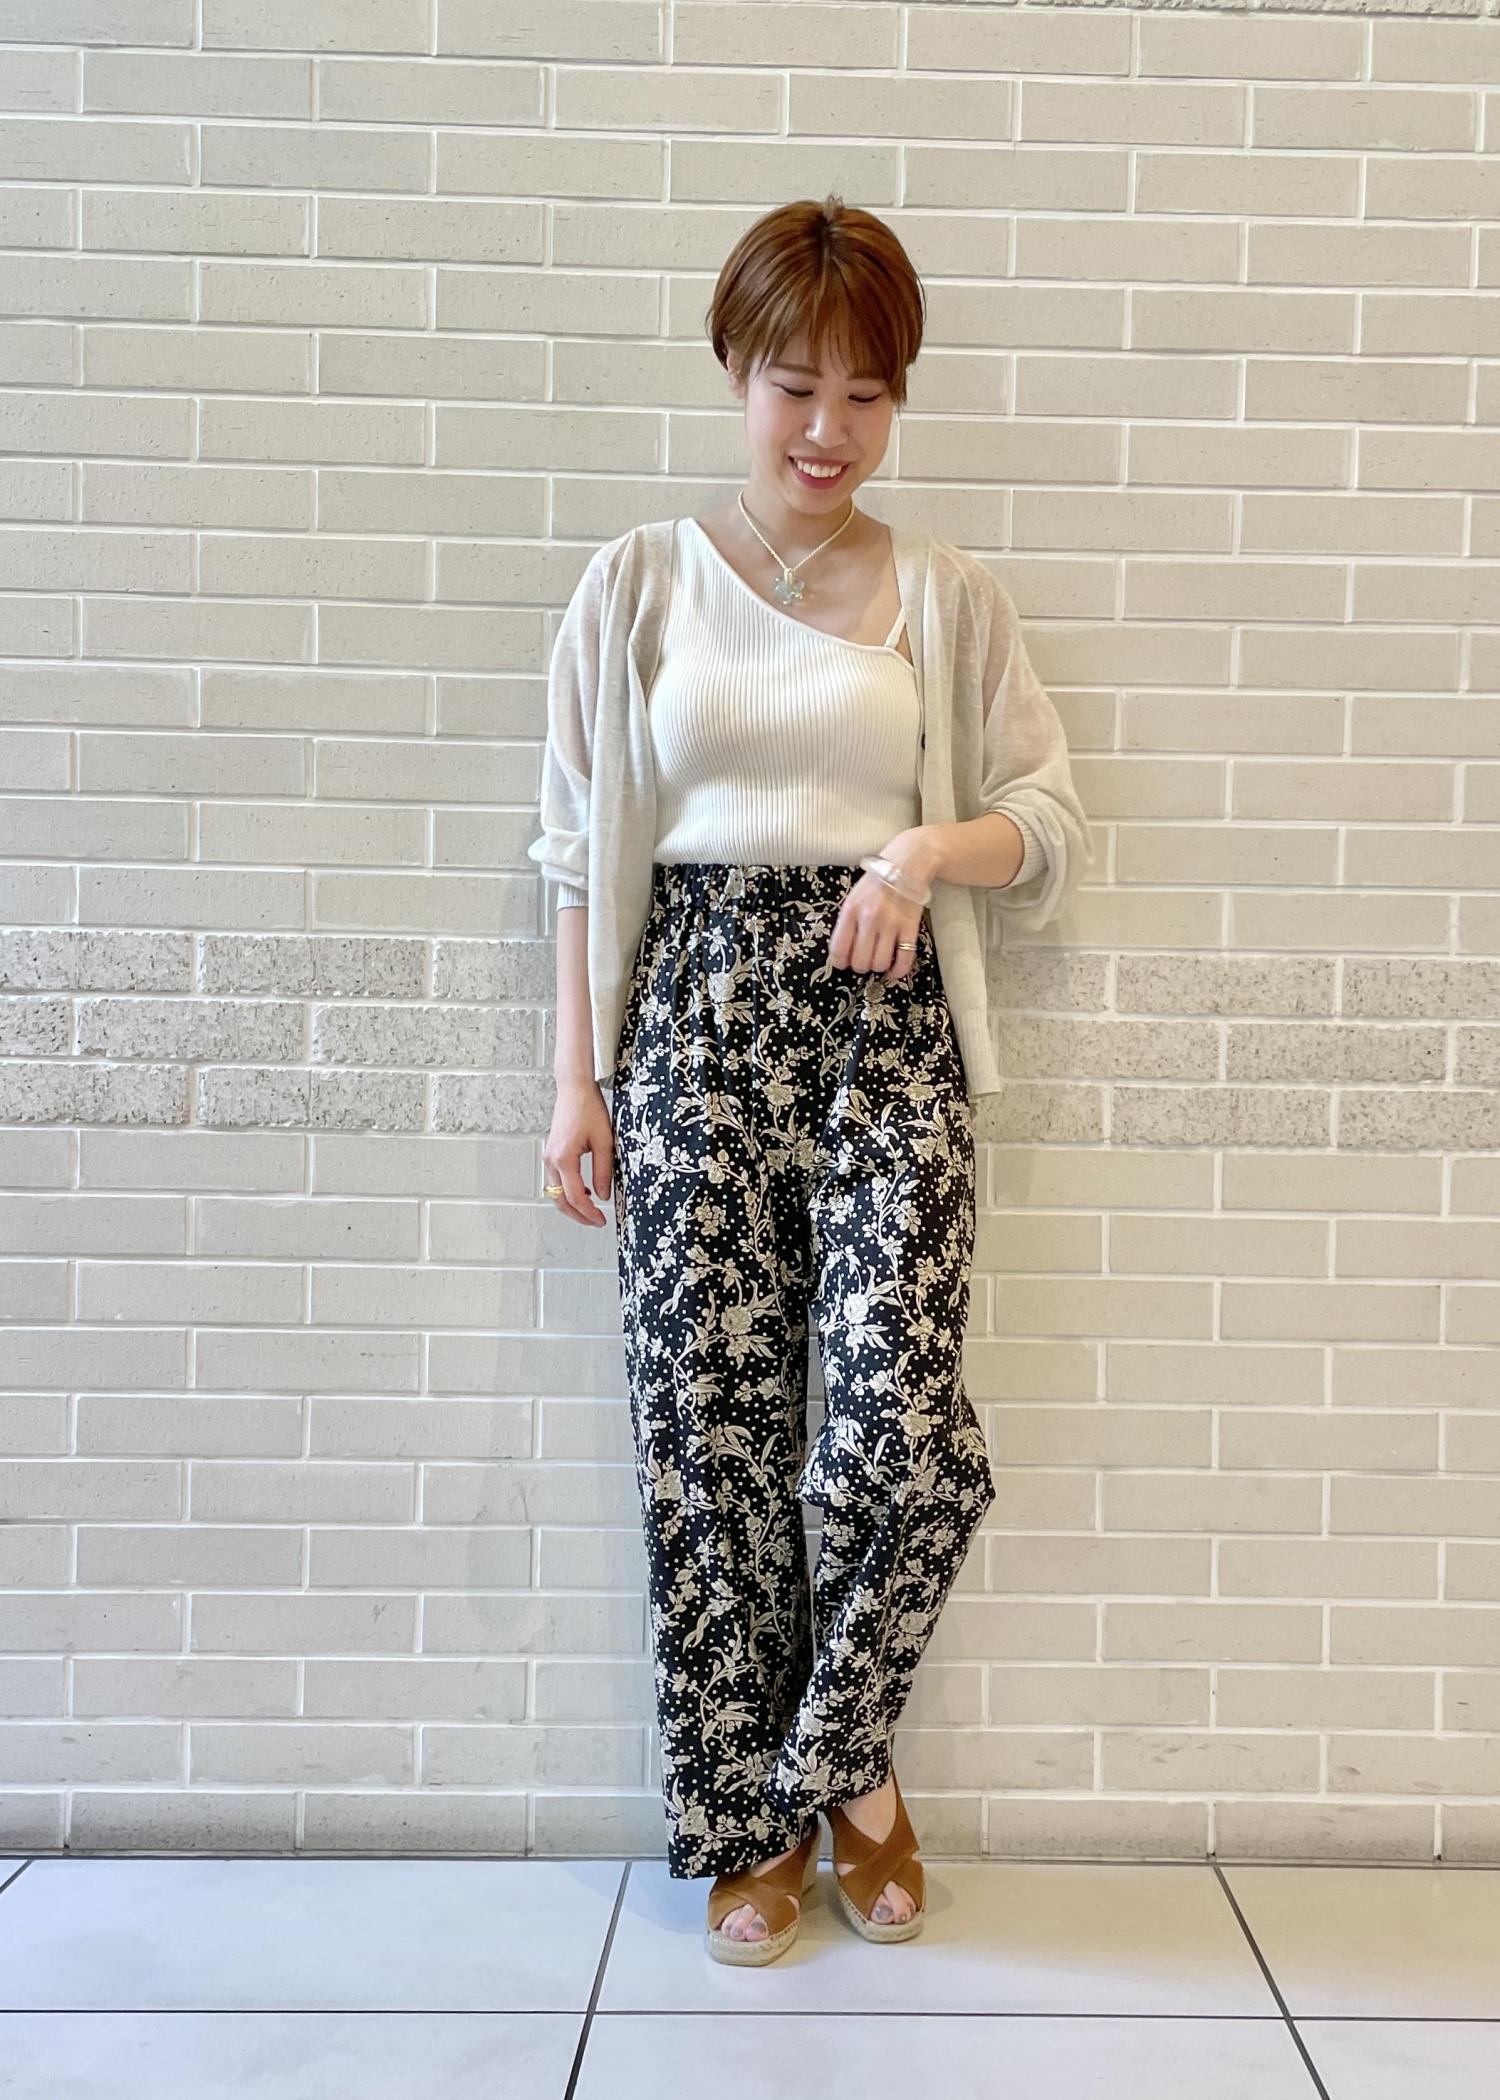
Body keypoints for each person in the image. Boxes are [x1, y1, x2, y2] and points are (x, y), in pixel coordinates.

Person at [528, 196, 1092, 1965]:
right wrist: (577, 1084)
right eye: (796, 387)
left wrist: (923, 849)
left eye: (867, 394)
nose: (829, 430)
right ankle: (753, 1826)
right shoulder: (637, 586)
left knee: (895, 1442)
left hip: (881, 1031)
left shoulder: (948, 597)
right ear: (735, 373)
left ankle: (833, 1761)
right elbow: (574, 853)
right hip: (689, 1029)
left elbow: (1049, 822)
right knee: (709, 1445)